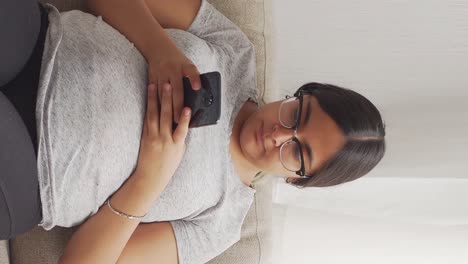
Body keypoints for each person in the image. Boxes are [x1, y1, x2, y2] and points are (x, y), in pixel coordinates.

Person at [0, 0, 386, 263]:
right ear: (300, 95)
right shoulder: (236, 50)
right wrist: (160, 48)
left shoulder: (221, 222)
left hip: (32, 171)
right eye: (298, 114)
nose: (278, 135)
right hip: (39, 43)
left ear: (297, 181)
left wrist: (150, 179)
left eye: (298, 154)